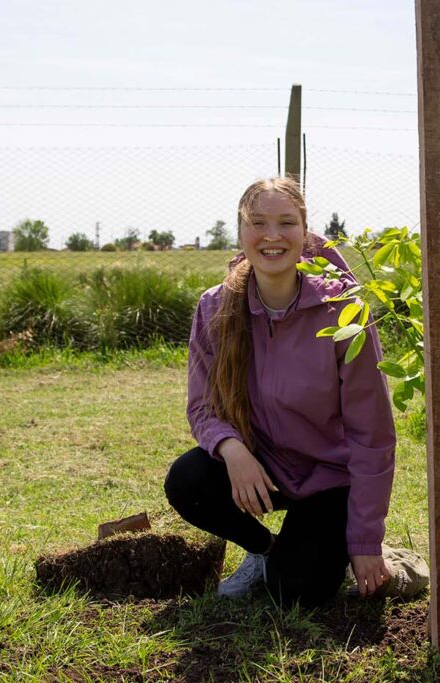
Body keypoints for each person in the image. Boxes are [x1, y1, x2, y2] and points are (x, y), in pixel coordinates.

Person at [164, 177, 397, 607]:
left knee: (297, 592)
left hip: (330, 478)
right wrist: (233, 451)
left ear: (305, 232)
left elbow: (373, 434)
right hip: (263, 467)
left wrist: (366, 540)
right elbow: (201, 406)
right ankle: (263, 551)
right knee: (188, 480)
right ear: (240, 231)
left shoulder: (344, 311)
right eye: (258, 222)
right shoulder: (215, 307)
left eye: (286, 222)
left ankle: (372, 555)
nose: (272, 236)